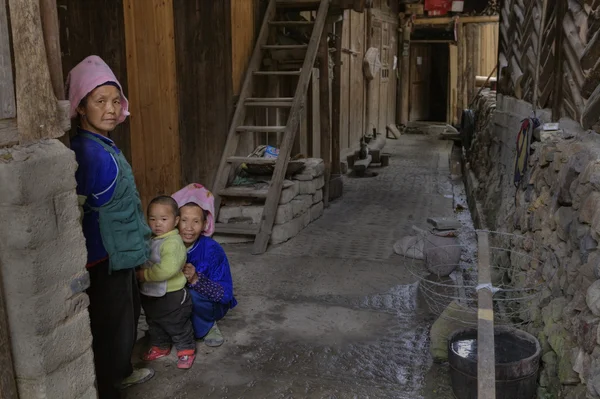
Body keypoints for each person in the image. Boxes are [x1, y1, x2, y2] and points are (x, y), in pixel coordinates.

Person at [67, 55, 154, 398]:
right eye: (100, 101)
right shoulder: (86, 153)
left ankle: (121, 371)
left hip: (119, 255)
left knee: (125, 319)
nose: (111, 108)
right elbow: (77, 210)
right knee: (111, 326)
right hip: (102, 258)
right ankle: (109, 385)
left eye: (116, 100)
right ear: (81, 107)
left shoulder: (102, 146)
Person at [172, 183, 238, 346]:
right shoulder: (167, 245)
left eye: (196, 221)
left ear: (204, 224)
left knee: (190, 295)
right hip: (177, 303)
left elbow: (225, 295)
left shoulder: (212, 250)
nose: (189, 228)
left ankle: (207, 325)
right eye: (184, 221)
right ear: (176, 221)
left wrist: (196, 279)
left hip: (207, 304)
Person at [136, 196, 196, 369]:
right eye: (152, 219)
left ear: (176, 220)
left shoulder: (173, 242)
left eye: (163, 219)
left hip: (173, 297)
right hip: (152, 294)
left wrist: (144, 275)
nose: (157, 224)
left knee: (177, 324)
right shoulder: (152, 239)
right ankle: (160, 346)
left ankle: (186, 350)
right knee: (154, 322)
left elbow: (168, 268)